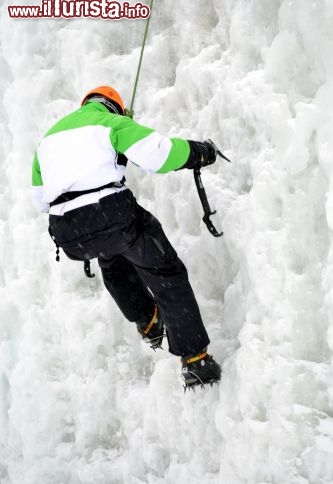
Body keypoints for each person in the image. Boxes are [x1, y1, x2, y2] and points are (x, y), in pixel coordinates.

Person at [32, 85, 221, 388]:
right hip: (112, 215)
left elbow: (40, 201)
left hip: (69, 234)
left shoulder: (47, 140)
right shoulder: (112, 123)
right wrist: (200, 152)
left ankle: (147, 319)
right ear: (113, 107)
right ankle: (195, 359)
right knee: (163, 270)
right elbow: (160, 155)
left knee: (111, 255)